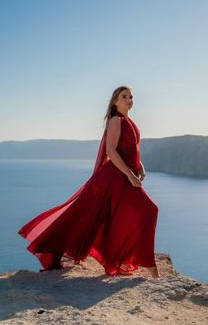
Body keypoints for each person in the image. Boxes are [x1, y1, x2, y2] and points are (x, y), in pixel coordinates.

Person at [18, 85, 160, 279]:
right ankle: (149, 267)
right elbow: (111, 152)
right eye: (124, 96)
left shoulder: (130, 121)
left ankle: (125, 259)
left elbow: (130, 149)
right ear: (115, 101)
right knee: (149, 210)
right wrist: (129, 174)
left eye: (131, 97)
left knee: (122, 217)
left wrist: (140, 166)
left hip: (126, 177)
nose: (129, 100)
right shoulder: (116, 121)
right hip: (118, 177)